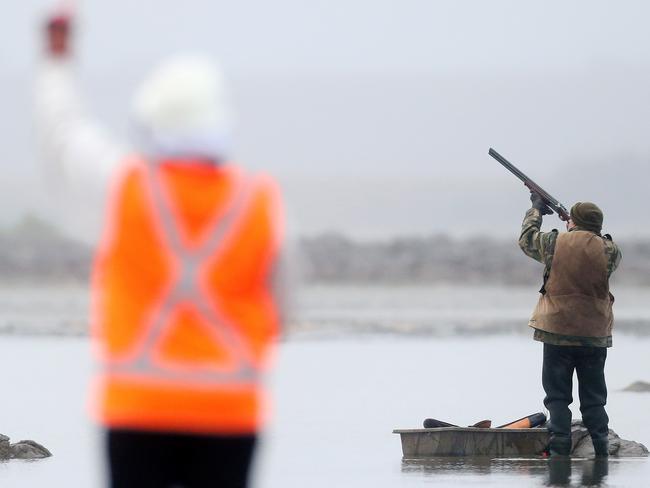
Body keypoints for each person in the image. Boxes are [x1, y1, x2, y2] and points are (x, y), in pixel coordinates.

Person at [36, 12, 286, 488]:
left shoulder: (125, 188)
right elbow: (285, 307)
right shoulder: (258, 202)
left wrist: (57, 61)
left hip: (138, 411)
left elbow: (64, 134)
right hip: (229, 416)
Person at [519, 194, 621, 457]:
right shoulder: (611, 250)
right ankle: (601, 449)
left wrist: (536, 210)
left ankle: (560, 449)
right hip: (594, 335)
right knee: (594, 399)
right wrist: (578, 226)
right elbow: (595, 247)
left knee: (557, 397)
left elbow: (527, 240)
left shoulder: (555, 242)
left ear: (572, 221)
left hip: (557, 333)